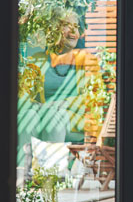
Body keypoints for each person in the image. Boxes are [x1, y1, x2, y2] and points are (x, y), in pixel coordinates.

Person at [17, 9, 101, 168]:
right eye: (67, 26)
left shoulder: (88, 62)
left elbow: (92, 99)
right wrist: (35, 107)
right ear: (53, 30)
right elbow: (24, 95)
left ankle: (51, 176)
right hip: (43, 114)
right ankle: (22, 175)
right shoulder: (36, 61)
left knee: (54, 117)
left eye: (76, 27)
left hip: (75, 121)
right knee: (26, 116)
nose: (74, 32)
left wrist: (59, 104)